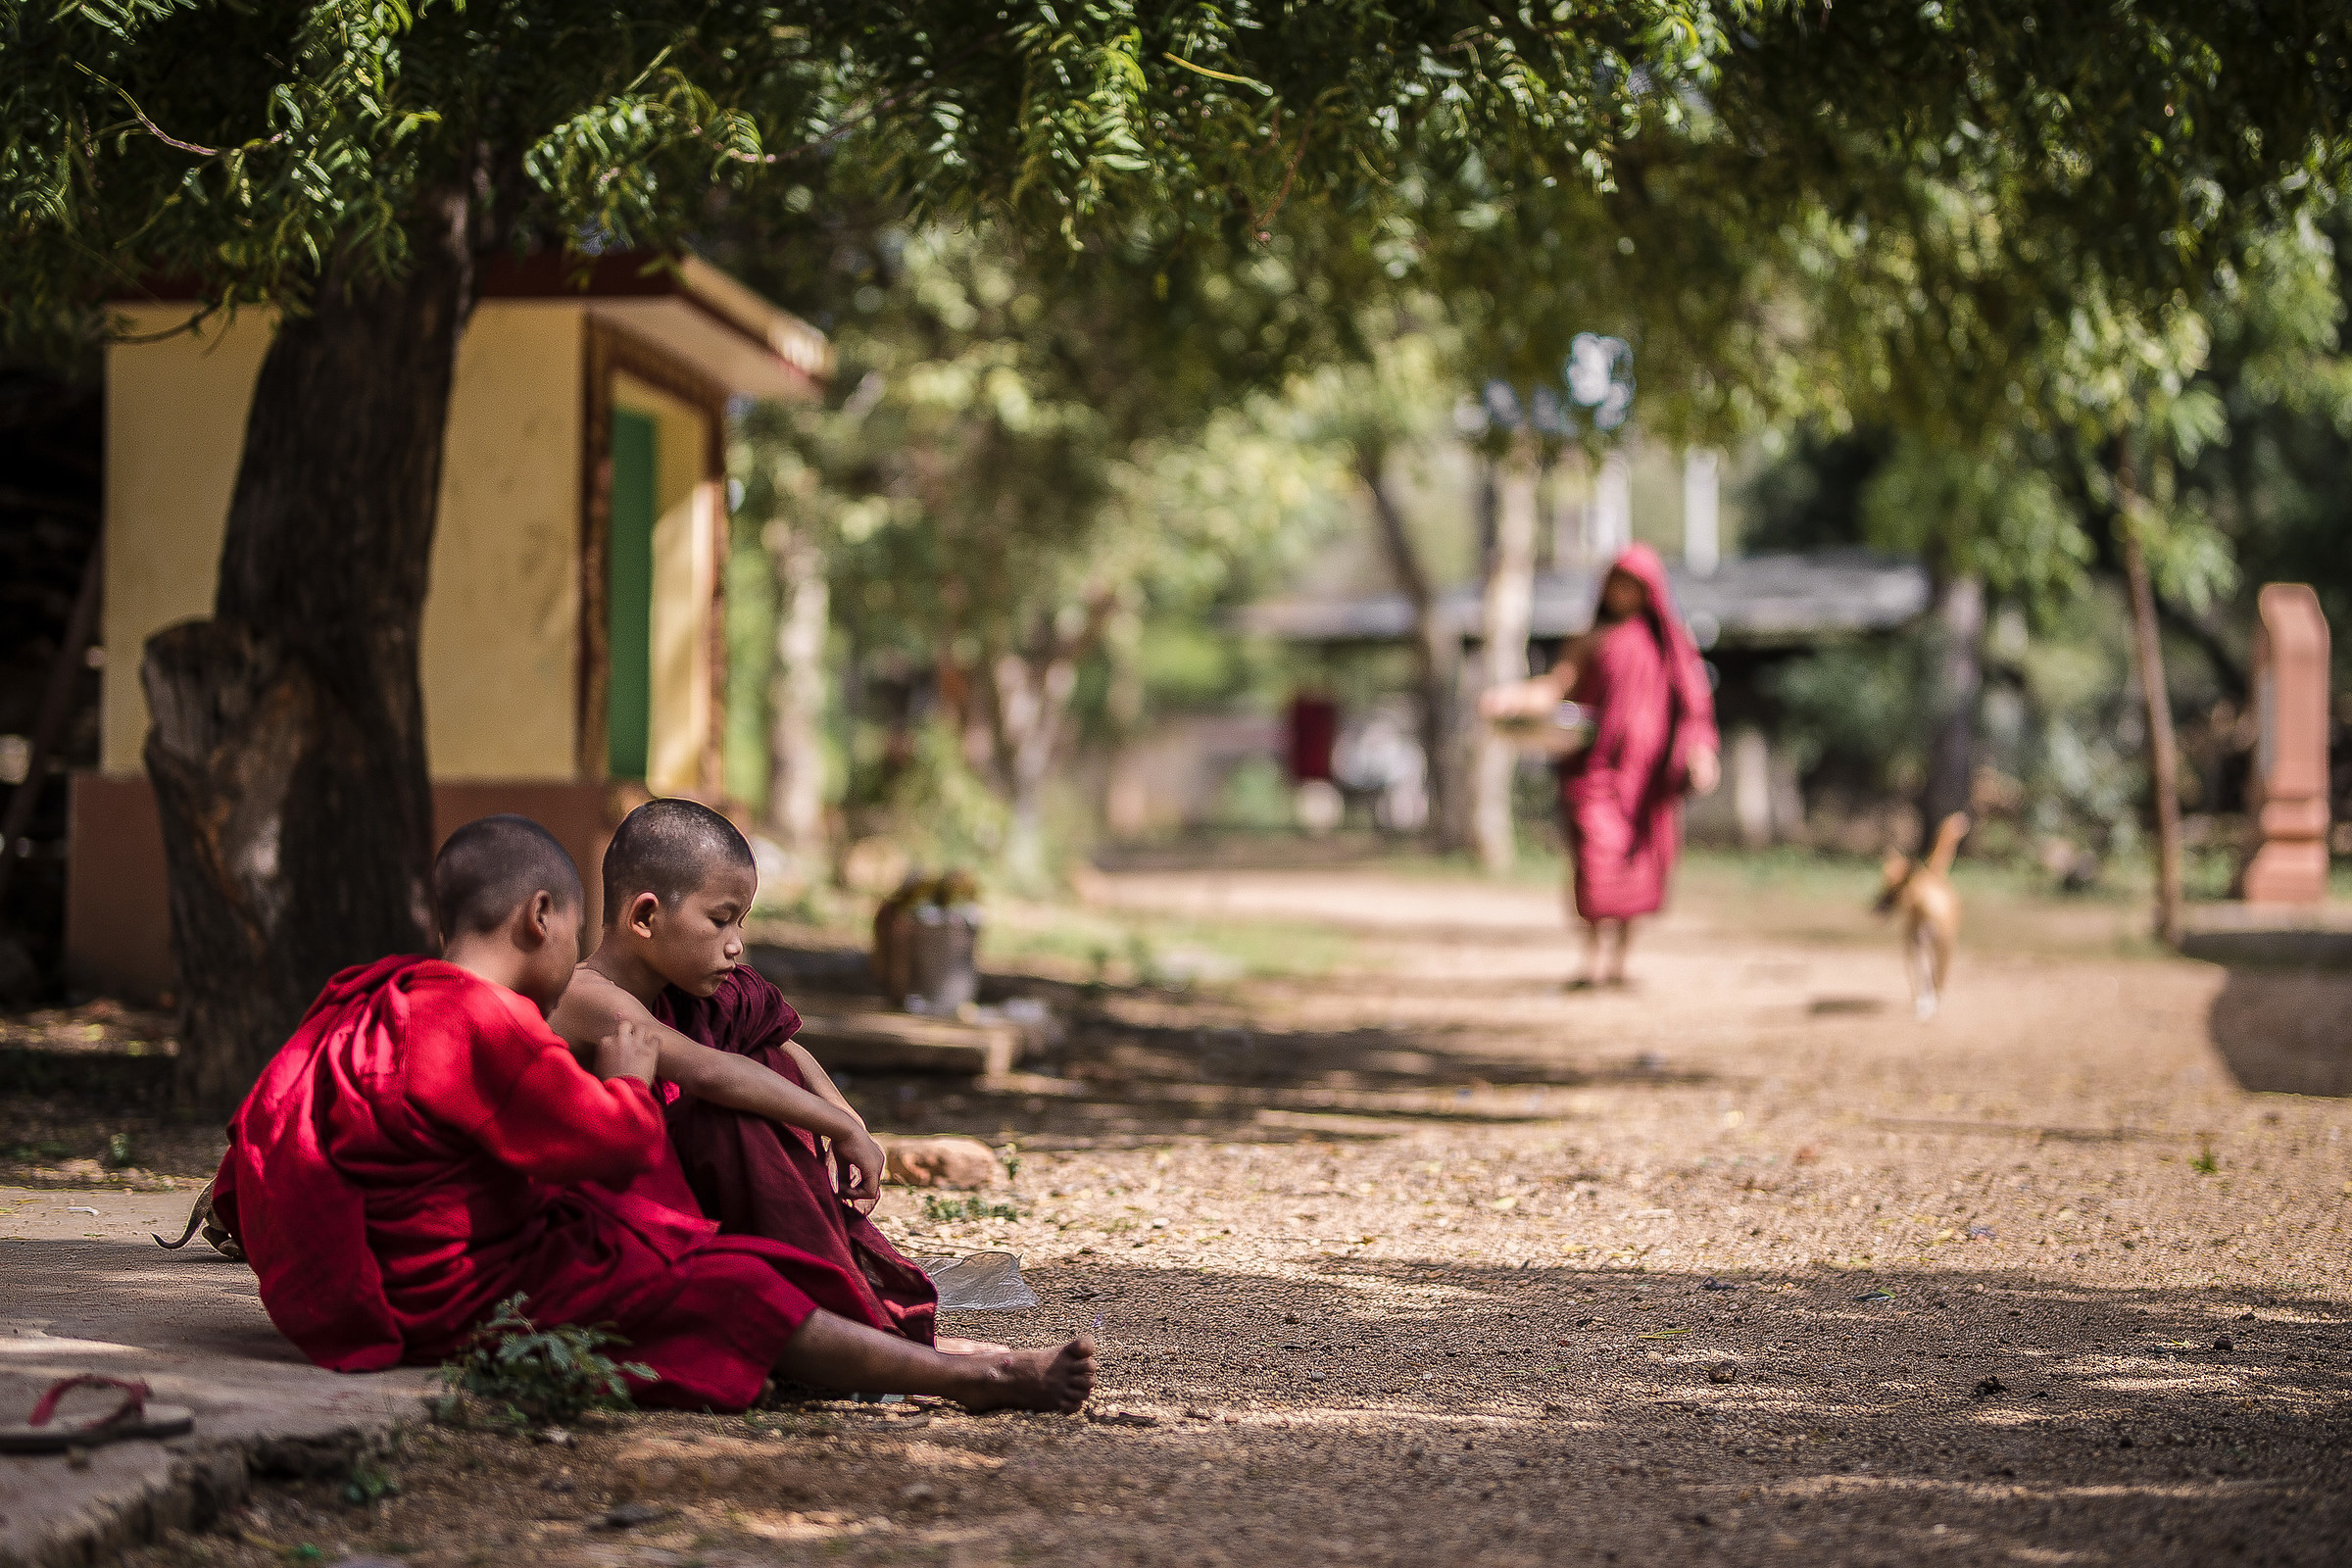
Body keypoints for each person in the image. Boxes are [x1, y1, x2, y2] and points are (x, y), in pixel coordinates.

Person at [212, 813, 1091, 1413]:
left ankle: (943, 1362)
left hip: (438, 1256)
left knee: (719, 1256)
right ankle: (970, 1377)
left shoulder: (389, 998)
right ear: (540, 917)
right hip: (453, 1296)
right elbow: (612, 1147)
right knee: (738, 1285)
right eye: (572, 928)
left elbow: (275, 1121)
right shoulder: (482, 1024)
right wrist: (630, 1084)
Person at [550, 799, 966, 1350]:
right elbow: (714, 1074)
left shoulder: (697, 992)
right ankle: (836, 1316)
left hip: (693, 1200)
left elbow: (783, 1045)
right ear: (645, 918)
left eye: (741, 921)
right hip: (622, 1222)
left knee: (767, 1065)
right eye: (720, 920)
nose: (735, 944)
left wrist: (846, 1116)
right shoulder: (586, 997)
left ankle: (827, 1303)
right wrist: (841, 1132)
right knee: (738, 1100)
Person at [1481, 544, 1720, 987]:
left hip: (1648, 780)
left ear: (1650, 591)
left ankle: (1621, 964)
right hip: (1599, 774)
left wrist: (1702, 752)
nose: (1622, 592)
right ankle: (1591, 960)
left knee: (1640, 866)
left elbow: (1695, 706)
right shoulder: (1589, 638)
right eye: (1616, 583)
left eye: (1633, 585)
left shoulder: (1671, 645)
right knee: (1594, 862)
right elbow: (1556, 687)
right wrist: (1512, 697)